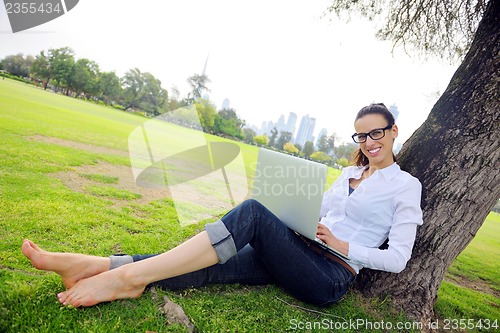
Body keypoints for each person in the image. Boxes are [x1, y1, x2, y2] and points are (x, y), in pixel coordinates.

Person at [22, 103, 423, 308]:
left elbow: (400, 258)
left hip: (330, 274)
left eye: (377, 133)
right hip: (299, 252)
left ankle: (123, 279)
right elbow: (319, 215)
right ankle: (94, 266)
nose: (369, 142)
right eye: (361, 136)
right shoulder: (346, 175)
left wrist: (341, 244)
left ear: (393, 132)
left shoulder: (406, 187)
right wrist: (300, 212)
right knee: (209, 265)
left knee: (250, 211)